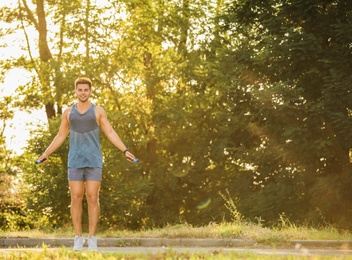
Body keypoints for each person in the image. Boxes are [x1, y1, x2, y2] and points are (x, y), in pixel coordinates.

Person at [37, 77, 137, 251]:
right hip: (74, 160)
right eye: (80, 90)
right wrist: (46, 153)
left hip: (94, 160)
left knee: (92, 197)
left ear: (90, 92)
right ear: (75, 91)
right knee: (76, 198)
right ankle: (78, 237)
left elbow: (110, 132)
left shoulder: (98, 111)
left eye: (86, 90)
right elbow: (60, 136)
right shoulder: (68, 113)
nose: (83, 92)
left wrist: (125, 150)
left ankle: (91, 238)